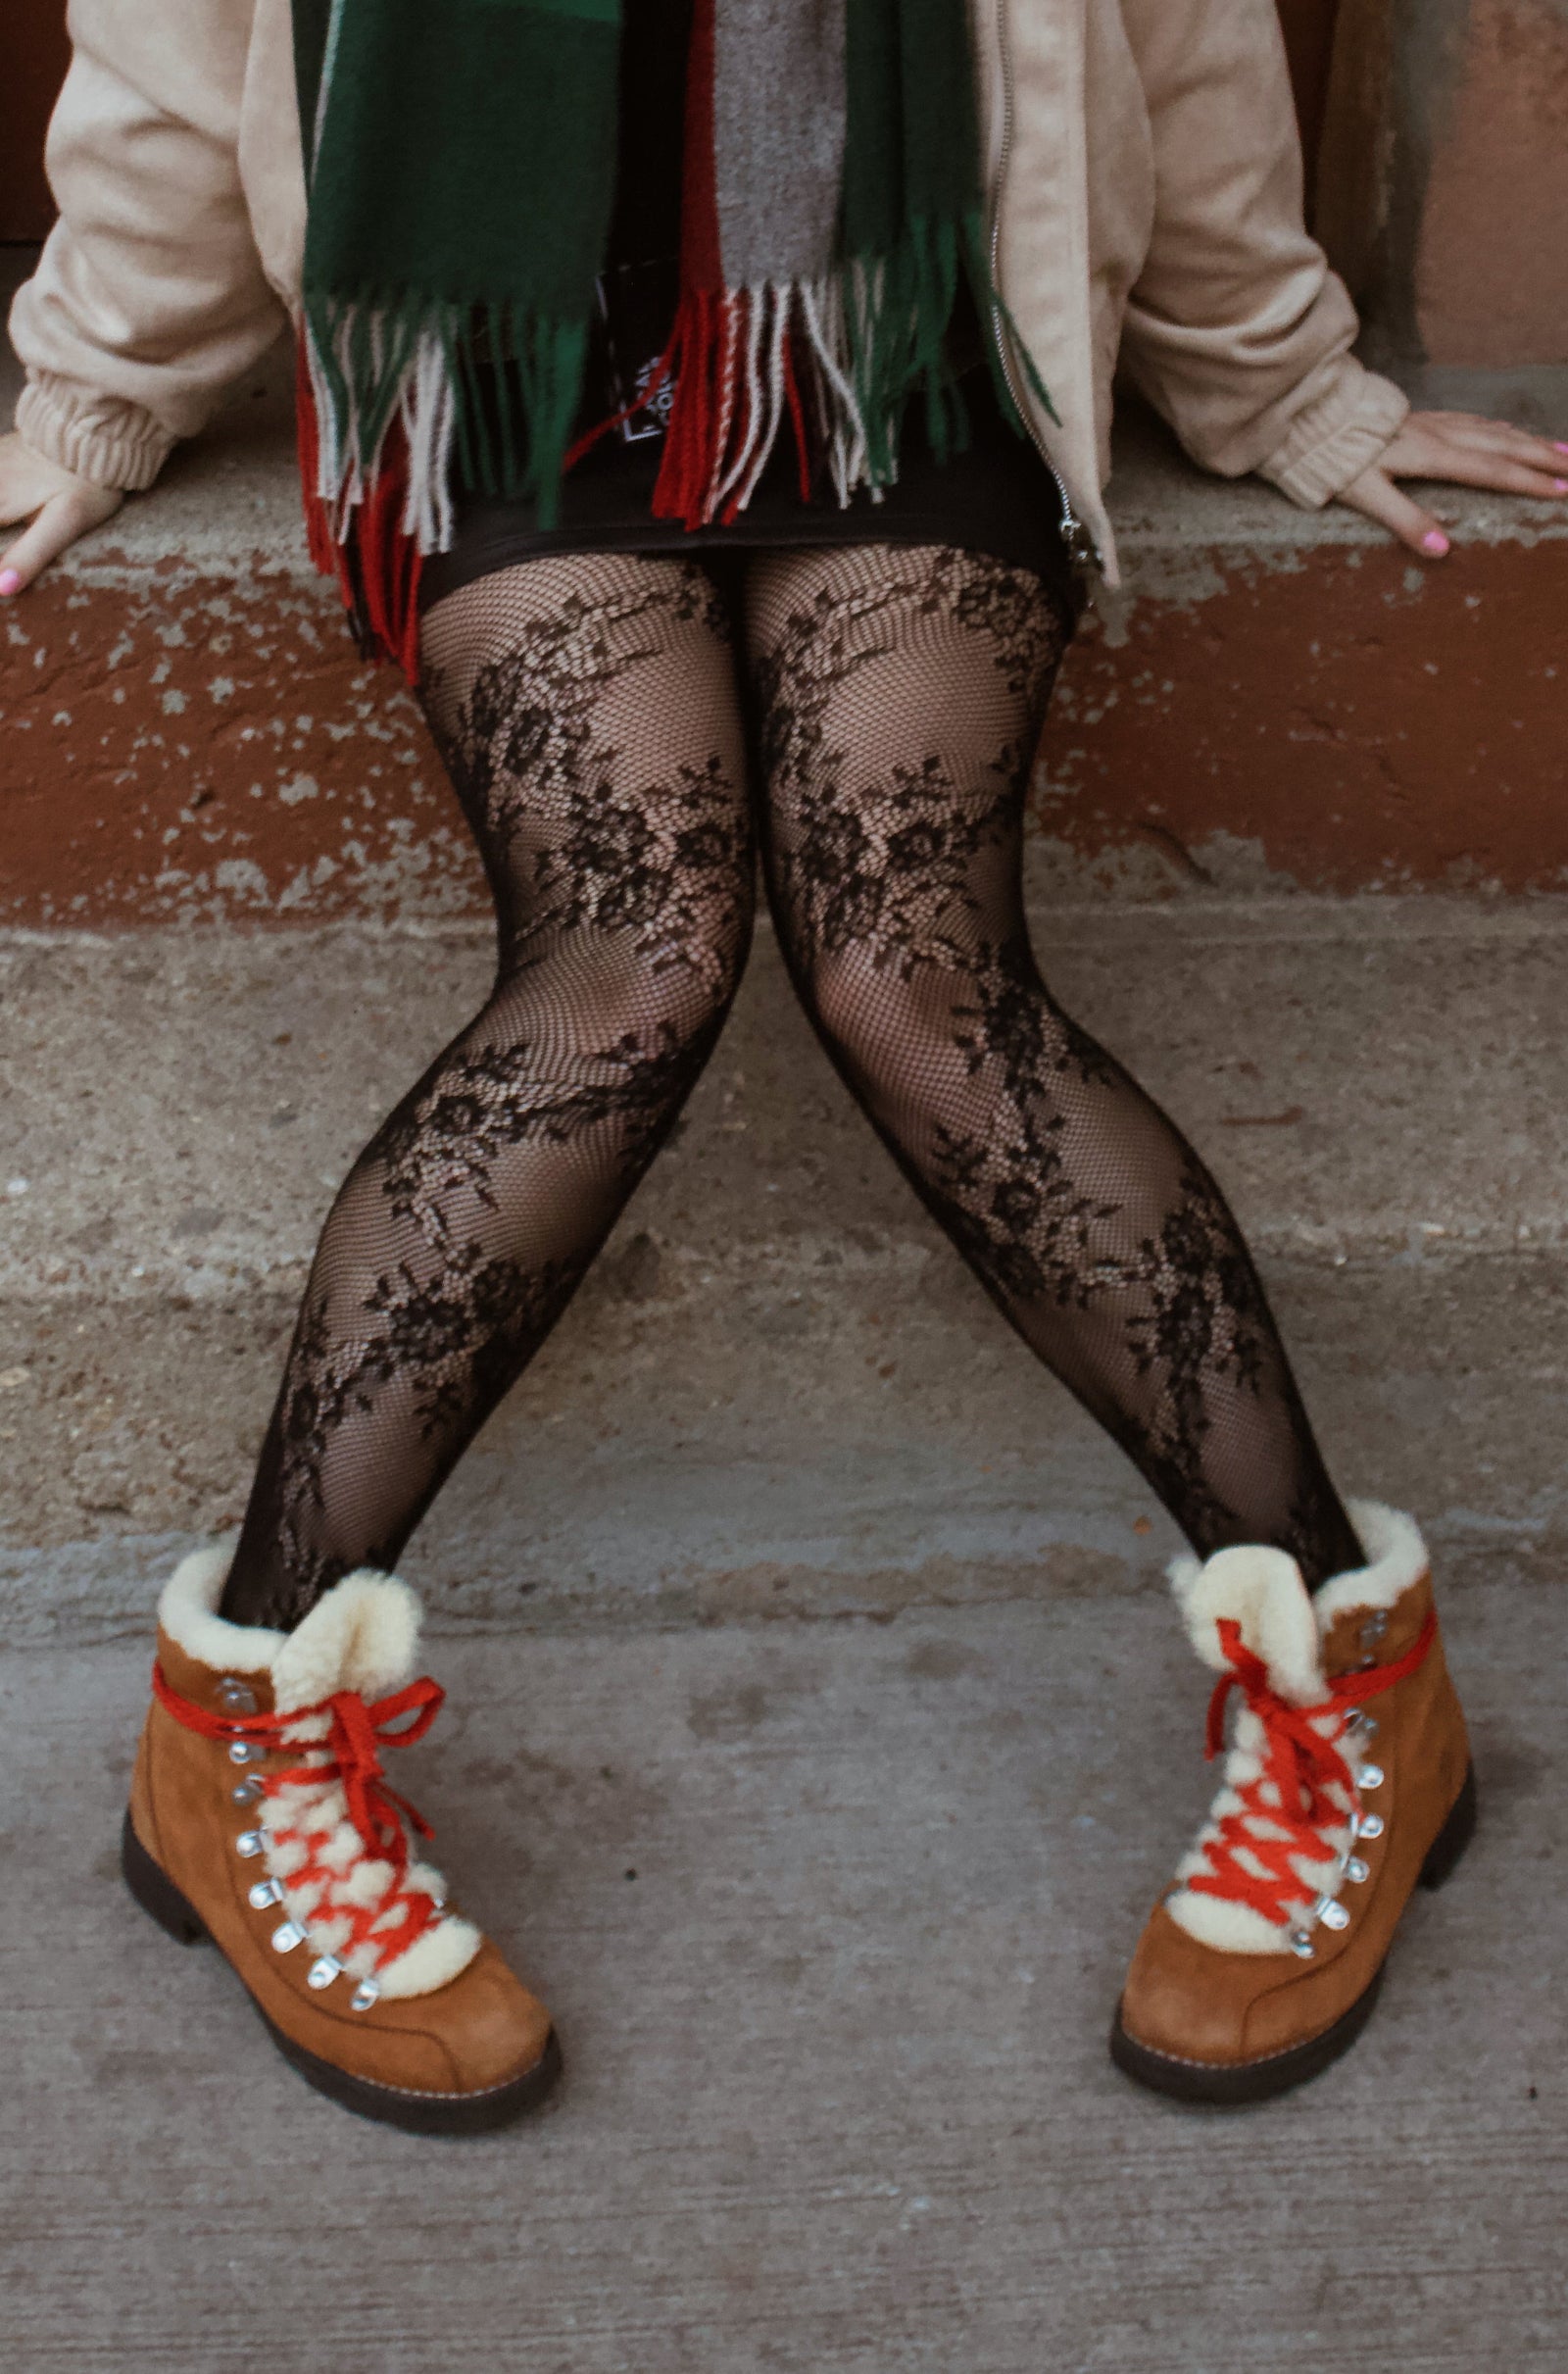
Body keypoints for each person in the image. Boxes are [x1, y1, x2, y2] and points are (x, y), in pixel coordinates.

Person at [5, 0, 1560, 2137]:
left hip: (897, 316)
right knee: (627, 961)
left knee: (912, 978)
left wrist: (1274, 373)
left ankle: (1347, 1686)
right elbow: (186, 34)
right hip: (505, 345)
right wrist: (90, 390)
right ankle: (242, 1720)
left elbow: (1170, 25)